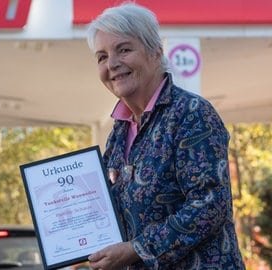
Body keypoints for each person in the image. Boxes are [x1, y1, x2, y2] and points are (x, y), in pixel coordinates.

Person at [85, 2, 245, 269]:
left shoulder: (191, 113)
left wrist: (137, 249)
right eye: (101, 57)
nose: (111, 64)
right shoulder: (119, 131)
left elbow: (208, 205)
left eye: (123, 49)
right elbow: (108, 207)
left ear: (155, 52)